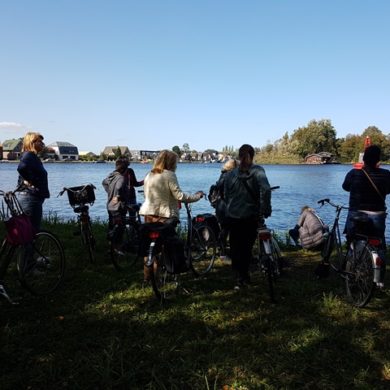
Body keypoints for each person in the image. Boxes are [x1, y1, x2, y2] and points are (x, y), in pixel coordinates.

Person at [139, 150, 204, 279]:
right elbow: (179, 195)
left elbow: (148, 194)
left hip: (148, 213)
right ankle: (172, 270)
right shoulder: (169, 175)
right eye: (175, 162)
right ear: (171, 162)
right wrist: (197, 196)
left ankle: (148, 276)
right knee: (167, 244)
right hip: (165, 215)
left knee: (150, 245)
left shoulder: (149, 175)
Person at [224, 144, 271, 289]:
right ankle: (244, 276)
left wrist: (230, 207)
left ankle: (239, 277)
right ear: (253, 156)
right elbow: (266, 189)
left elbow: (226, 194)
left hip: (233, 215)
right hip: (250, 215)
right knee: (246, 247)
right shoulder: (258, 171)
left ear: (239, 156)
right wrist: (265, 208)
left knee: (235, 246)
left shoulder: (231, 174)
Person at [342, 144, 390, 286]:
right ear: (378, 159)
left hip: (357, 212)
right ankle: (379, 280)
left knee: (352, 241)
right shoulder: (386, 174)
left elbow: (345, 187)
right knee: (378, 244)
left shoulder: (354, 173)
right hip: (378, 214)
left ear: (364, 159)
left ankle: (351, 274)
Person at [17, 132, 49, 232]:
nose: (42, 144)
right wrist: (32, 180)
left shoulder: (33, 156)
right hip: (30, 198)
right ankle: (28, 247)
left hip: (33, 197)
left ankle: (27, 246)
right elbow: (22, 168)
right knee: (31, 231)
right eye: (39, 141)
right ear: (32, 143)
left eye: (42, 142)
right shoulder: (29, 155)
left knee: (29, 230)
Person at [102, 157, 130, 253]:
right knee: (120, 228)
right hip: (118, 207)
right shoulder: (121, 177)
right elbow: (119, 186)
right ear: (124, 168)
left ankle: (111, 248)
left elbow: (104, 182)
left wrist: (109, 192)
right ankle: (117, 248)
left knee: (112, 226)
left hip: (110, 205)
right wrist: (118, 196)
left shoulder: (112, 175)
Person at [213, 159, 238, 256]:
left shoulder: (222, 174)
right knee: (231, 229)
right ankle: (228, 251)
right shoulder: (232, 176)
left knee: (225, 228)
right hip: (228, 206)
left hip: (220, 206)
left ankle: (222, 249)